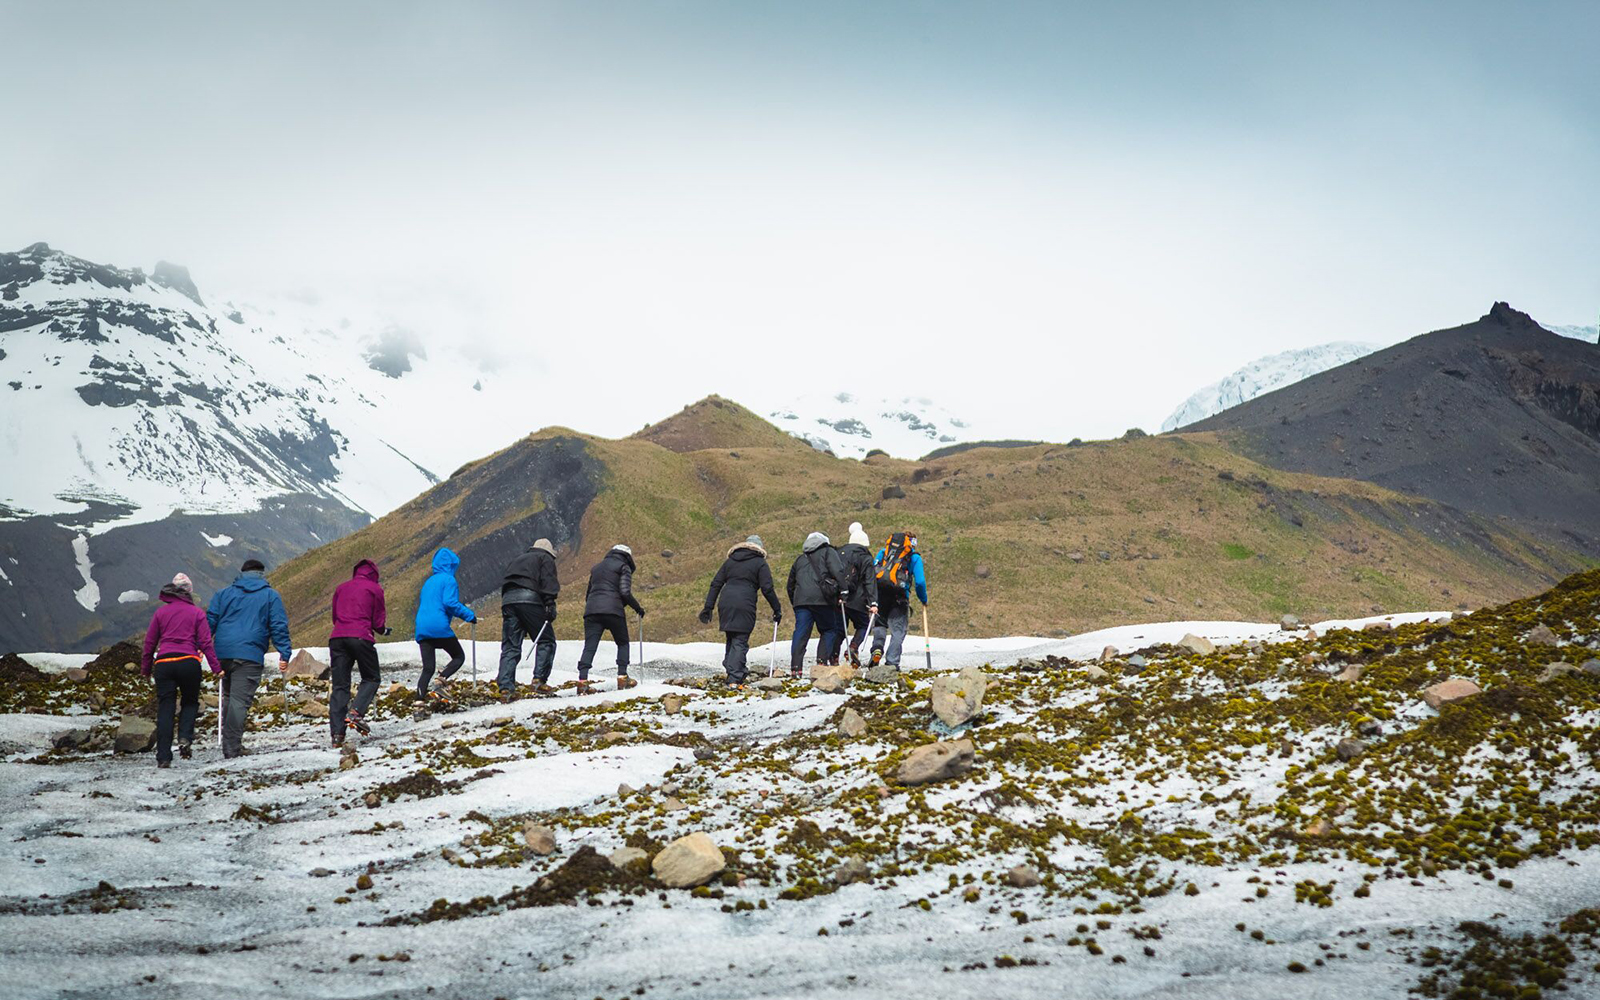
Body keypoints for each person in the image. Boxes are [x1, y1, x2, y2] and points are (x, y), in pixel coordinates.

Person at [206, 558, 292, 759]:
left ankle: (230, 742)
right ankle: (232, 747)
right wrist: (284, 652)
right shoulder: (270, 596)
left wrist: (201, 646)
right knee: (238, 701)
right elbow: (278, 626)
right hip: (249, 653)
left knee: (229, 697)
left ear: (242, 573)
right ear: (261, 574)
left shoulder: (223, 594)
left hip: (223, 652)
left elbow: (210, 621)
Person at [140, 573, 220, 768]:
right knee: (190, 702)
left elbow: (149, 643)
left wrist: (145, 669)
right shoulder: (197, 613)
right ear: (189, 592)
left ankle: (164, 756)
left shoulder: (161, 613)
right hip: (189, 662)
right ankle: (184, 737)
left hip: (164, 662)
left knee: (166, 707)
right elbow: (205, 643)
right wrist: (216, 668)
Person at [699, 535, 783, 687]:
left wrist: (708, 607)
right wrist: (777, 609)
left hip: (725, 601)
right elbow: (767, 588)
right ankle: (734, 677)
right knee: (740, 639)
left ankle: (733, 668)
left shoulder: (730, 562)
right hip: (745, 602)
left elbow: (716, 583)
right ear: (759, 548)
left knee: (731, 636)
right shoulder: (760, 563)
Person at [328, 559, 388, 746]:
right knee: (371, 678)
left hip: (337, 637)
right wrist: (383, 630)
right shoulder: (375, 589)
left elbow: (335, 616)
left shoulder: (341, 588)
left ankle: (337, 735)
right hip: (361, 636)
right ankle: (356, 712)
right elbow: (377, 620)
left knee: (340, 686)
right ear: (374, 574)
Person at [577, 544, 645, 692]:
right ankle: (622, 678)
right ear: (628, 557)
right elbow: (625, 592)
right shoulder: (623, 567)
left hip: (592, 611)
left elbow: (588, 594)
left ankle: (582, 681)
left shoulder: (596, 568)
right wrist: (637, 608)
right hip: (613, 611)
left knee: (589, 646)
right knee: (622, 643)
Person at [497, 538, 560, 697]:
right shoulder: (545, 558)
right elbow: (547, 581)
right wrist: (549, 603)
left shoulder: (518, 559)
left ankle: (505, 687)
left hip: (508, 601)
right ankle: (539, 681)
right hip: (530, 599)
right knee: (546, 640)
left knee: (511, 645)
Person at [414, 548, 476, 701]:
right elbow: (450, 603)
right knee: (458, 656)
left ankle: (418, 703)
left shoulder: (428, 582)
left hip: (422, 628)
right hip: (438, 626)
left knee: (427, 669)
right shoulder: (449, 580)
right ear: (451, 565)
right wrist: (469, 616)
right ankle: (440, 681)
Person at [786, 531, 847, 678]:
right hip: (823, 600)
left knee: (801, 633)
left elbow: (790, 584)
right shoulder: (828, 552)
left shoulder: (800, 559)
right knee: (829, 629)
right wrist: (844, 590)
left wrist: (796, 602)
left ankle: (796, 668)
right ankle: (821, 663)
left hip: (802, 602)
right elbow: (837, 571)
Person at [870, 531, 927, 675]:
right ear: (912, 543)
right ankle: (892, 663)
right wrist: (923, 599)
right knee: (897, 631)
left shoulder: (884, 552)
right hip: (899, 597)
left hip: (880, 593)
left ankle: (877, 648)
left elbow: (872, 571)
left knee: (880, 624)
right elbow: (920, 582)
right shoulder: (914, 558)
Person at [823, 522, 879, 667]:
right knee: (863, 625)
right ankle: (853, 647)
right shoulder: (865, 557)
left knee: (840, 629)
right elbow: (870, 581)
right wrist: (873, 602)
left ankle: (833, 657)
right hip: (858, 600)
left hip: (840, 597)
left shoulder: (838, 553)